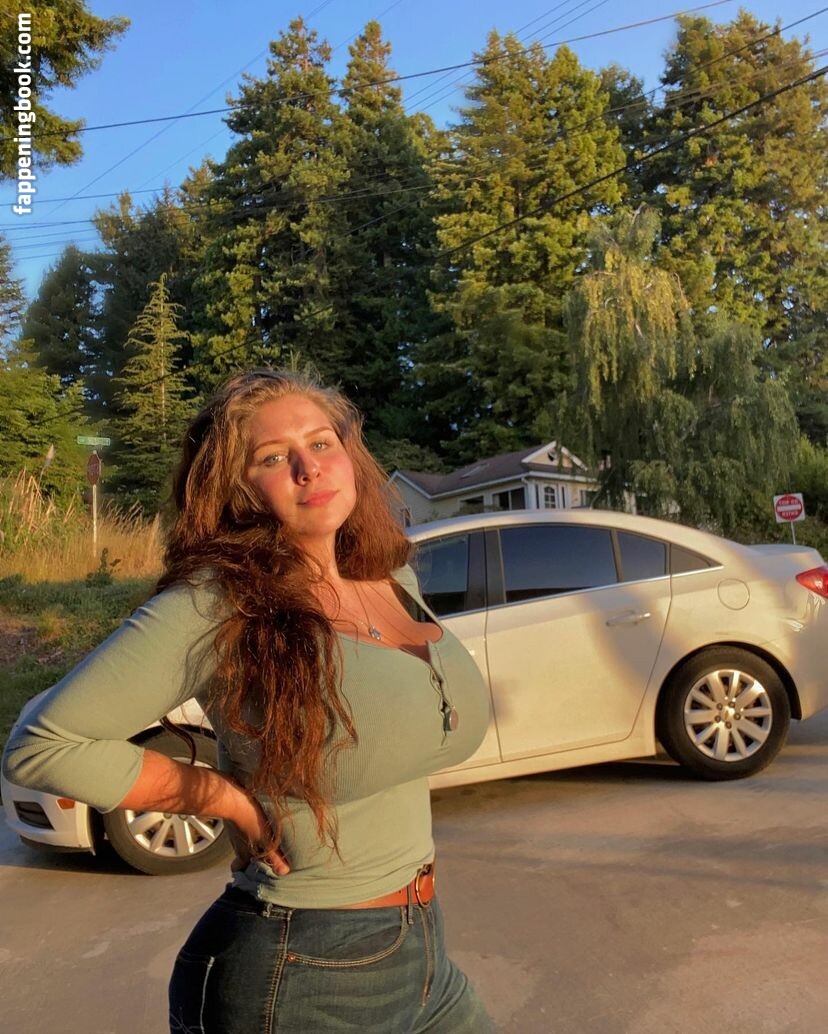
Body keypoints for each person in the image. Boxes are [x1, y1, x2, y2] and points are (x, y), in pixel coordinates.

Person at [1, 367, 496, 1033]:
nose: (308, 467)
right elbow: (41, 745)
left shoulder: (391, 578)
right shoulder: (220, 603)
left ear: (350, 455)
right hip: (302, 968)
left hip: (423, 946)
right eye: (272, 458)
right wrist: (225, 798)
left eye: (320, 443)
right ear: (236, 489)